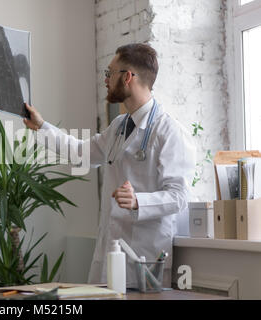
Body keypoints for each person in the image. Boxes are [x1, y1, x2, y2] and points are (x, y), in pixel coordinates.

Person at [23, 43, 196, 288]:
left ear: (127, 77)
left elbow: (180, 196)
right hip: (111, 253)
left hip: (143, 258)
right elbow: (80, 153)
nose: (105, 80)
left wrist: (139, 201)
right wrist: (42, 127)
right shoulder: (119, 126)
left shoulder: (169, 132)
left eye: (109, 73)